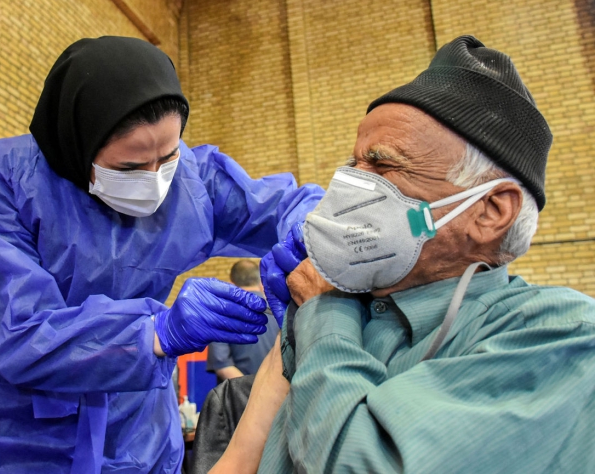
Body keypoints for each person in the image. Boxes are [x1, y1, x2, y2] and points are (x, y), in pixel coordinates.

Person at [0, 36, 323, 474]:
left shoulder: (193, 181)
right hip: (15, 435)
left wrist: (309, 235)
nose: (155, 181)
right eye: (129, 168)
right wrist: (155, 333)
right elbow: (19, 331)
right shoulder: (6, 180)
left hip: (137, 433)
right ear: (79, 147)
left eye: (168, 158)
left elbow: (286, 204)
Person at [210, 35, 595, 473]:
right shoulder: (341, 308)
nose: (351, 186)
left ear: (491, 211)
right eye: (354, 165)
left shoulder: (559, 338)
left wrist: (324, 311)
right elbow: (240, 463)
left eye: (384, 165)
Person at [207, 260, 280, 381]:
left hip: (238, 391)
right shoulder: (280, 313)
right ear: (261, 283)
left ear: (231, 285)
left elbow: (223, 366)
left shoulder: (221, 315)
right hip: (277, 388)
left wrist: (251, 389)